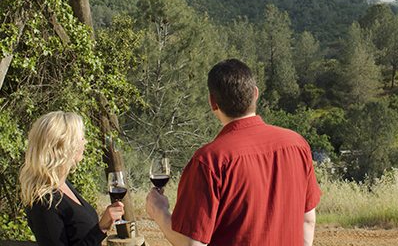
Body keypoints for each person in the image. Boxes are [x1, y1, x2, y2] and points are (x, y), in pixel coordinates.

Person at [146, 59, 321, 246]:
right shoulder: (297, 144)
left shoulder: (209, 161)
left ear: (213, 102)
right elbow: (308, 220)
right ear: (255, 94)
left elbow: (192, 243)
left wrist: (160, 212)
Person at [19, 111, 124, 246]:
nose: (85, 142)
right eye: (81, 138)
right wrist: (101, 228)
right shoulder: (44, 201)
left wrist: (103, 225)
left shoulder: (63, 184)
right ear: (65, 146)